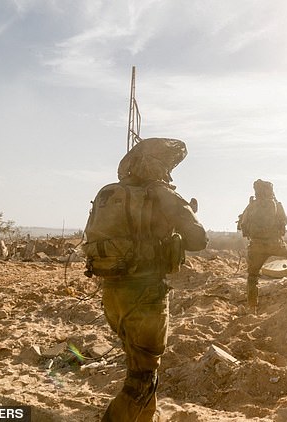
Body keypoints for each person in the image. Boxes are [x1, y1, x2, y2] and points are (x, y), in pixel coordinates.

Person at [86, 138, 207, 422]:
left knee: (138, 365)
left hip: (113, 292)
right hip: (146, 295)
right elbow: (199, 240)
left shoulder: (110, 192)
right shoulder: (162, 193)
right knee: (142, 377)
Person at [237, 179, 287, 313]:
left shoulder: (251, 206)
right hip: (275, 243)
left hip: (256, 246)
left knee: (252, 276)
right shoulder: (275, 204)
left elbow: (242, 226)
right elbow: (284, 220)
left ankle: (252, 308)